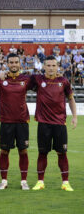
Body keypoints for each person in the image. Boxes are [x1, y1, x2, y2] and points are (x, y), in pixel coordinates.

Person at [31, 56, 77, 191]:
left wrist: (74, 117)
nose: (51, 68)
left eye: (53, 65)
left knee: (62, 153)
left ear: (58, 67)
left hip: (60, 124)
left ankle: (65, 183)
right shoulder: (38, 80)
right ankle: (40, 182)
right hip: (44, 124)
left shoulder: (63, 81)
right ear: (43, 67)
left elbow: (71, 99)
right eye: (48, 65)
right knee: (42, 153)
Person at [0, 54, 33, 190]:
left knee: (23, 151)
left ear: (20, 64)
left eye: (16, 62)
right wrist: (0, 74)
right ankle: (4, 181)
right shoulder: (0, 79)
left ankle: (24, 181)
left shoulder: (26, 79)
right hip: (6, 121)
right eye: (11, 62)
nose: (13, 64)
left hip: (22, 121)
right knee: (4, 151)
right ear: (7, 64)